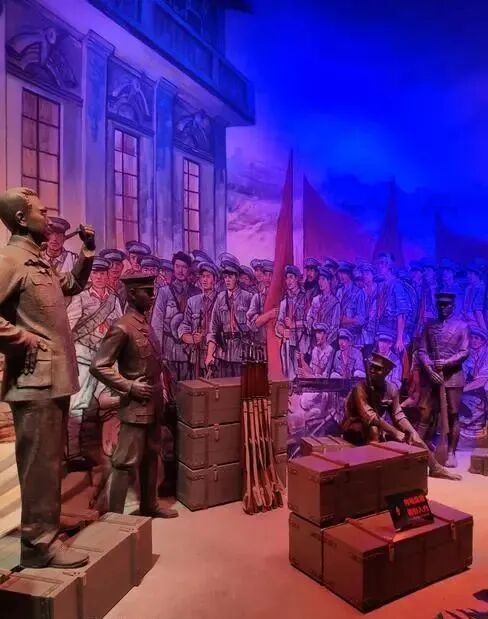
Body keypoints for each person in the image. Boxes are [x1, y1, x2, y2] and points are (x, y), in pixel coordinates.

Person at [0, 186, 95, 568]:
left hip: (51, 379)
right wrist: (20, 338)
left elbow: (71, 286)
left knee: (50, 462)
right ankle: (39, 544)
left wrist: (87, 252)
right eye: (41, 211)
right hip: (33, 381)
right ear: (21, 219)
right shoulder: (10, 260)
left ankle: (46, 528)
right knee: (39, 465)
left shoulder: (37, 261)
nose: (48, 217)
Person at [90, 273, 178, 518]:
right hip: (135, 406)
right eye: (146, 291)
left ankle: (149, 505)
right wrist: (128, 386)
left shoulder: (145, 325)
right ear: (131, 294)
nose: (152, 295)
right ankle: (114, 518)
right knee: (124, 461)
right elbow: (98, 366)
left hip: (153, 404)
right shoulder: (122, 327)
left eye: (152, 290)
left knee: (151, 455)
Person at [342, 352, 461, 480]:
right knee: (374, 429)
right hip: (355, 426)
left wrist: (410, 432)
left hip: (376, 424)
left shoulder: (391, 389)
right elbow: (368, 416)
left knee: (413, 435)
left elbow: (398, 414)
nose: (372, 370)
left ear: (387, 372)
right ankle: (374, 474)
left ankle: (435, 467)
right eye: (372, 366)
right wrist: (395, 432)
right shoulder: (360, 388)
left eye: (378, 368)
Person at [67, 257, 123, 461]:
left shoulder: (113, 300)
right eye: (95, 273)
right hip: (83, 356)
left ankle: (111, 447)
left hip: (106, 358)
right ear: (91, 275)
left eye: (102, 273)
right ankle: (73, 452)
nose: (99, 277)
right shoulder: (80, 298)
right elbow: (69, 326)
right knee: (77, 405)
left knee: (111, 403)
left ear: (108, 275)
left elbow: (120, 326)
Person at [417, 292, 469, 468]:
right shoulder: (429, 326)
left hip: (453, 377)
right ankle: (420, 448)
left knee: (453, 415)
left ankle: (451, 452)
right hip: (433, 376)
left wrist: (446, 363)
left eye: (446, 305)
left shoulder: (462, 326)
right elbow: (422, 350)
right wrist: (429, 368)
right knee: (426, 413)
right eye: (440, 304)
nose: (443, 307)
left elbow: (464, 351)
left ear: (453, 306)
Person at [151, 251, 199, 381]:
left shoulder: (196, 293)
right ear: (173, 267)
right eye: (177, 266)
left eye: (184, 267)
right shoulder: (164, 292)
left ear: (189, 269)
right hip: (169, 350)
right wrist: (158, 351)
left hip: (190, 351)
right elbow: (157, 323)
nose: (180, 270)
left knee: (190, 386)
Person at [206, 258, 252, 377]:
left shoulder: (248, 297)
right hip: (223, 353)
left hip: (242, 353)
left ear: (237, 278)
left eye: (230, 277)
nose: (227, 280)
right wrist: (210, 354)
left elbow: (254, 327)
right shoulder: (220, 298)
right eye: (225, 277)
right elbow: (213, 328)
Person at [178, 261, 219, 378]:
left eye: (208, 276)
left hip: (216, 355)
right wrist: (190, 338)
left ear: (215, 280)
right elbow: (185, 324)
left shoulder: (221, 300)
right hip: (197, 355)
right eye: (202, 276)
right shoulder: (193, 301)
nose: (204, 280)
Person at [275, 265, 309, 379]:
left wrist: (293, 324)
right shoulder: (284, 301)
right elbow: (279, 322)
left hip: (302, 341)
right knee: (288, 375)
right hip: (288, 342)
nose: (288, 281)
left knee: (302, 374)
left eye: (291, 277)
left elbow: (310, 322)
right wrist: (282, 330)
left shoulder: (305, 299)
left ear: (297, 279)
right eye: (287, 278)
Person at [375, 253, 410, 354]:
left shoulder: (397, 285)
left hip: (392, 332)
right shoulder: (383, 285)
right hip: (382, 330)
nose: (380, 266)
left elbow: (402, 314)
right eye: (379, 263)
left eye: (383, 263)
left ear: (390, 265)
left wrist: (399, 338)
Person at [459, 327, 488, 445]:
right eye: (472, 337)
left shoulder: (486, 355)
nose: (474, 340)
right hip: (472, 389)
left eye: (477, 338)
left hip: (482, 389)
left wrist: (462, 390)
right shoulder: (469, 353)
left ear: (483, 341)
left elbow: (481, 380)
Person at [247, 259, 276, 349]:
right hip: (260, 346)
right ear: (262, 276)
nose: (267, 278)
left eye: (270, 275)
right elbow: (252, 324)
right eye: (265, 275)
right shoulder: (257, 297)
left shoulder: (280, 298)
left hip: (275, 346)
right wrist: (269, 315)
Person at [306, 267, 340, 344]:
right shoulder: (316, 300)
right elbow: (309, 316)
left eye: (323, 279)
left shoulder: (335, 302)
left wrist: (326, 342)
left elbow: (335, 327)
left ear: (329, 281)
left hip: (328, 342)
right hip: (314, 339)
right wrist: (310, 323)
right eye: (319, 279)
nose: (320, 282)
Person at [335, 261, 366, 345]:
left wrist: (347, 320)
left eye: (344, 273)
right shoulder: (339, 291)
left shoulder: (358, 293)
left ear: (350, 274)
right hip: (339, 334)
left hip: (353, 336)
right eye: (339, 273)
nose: (341, 276)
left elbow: (361, 319)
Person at [358, 262, 378, 350]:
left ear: (373, 274)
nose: (365, 276)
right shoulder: (361, 292)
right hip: (365, 331)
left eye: (367, 273)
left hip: (377, 330)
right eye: (363, 274)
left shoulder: (379, 289)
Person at [463, 260, 487, 330]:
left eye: (471, 273)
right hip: (466, 319)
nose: (468, 276)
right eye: (467, 273)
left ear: (478, 275)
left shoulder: (482, 288)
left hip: (478, 322)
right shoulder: (468, 288)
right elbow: (465, 306)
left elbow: (478, 311)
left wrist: (484, 331)